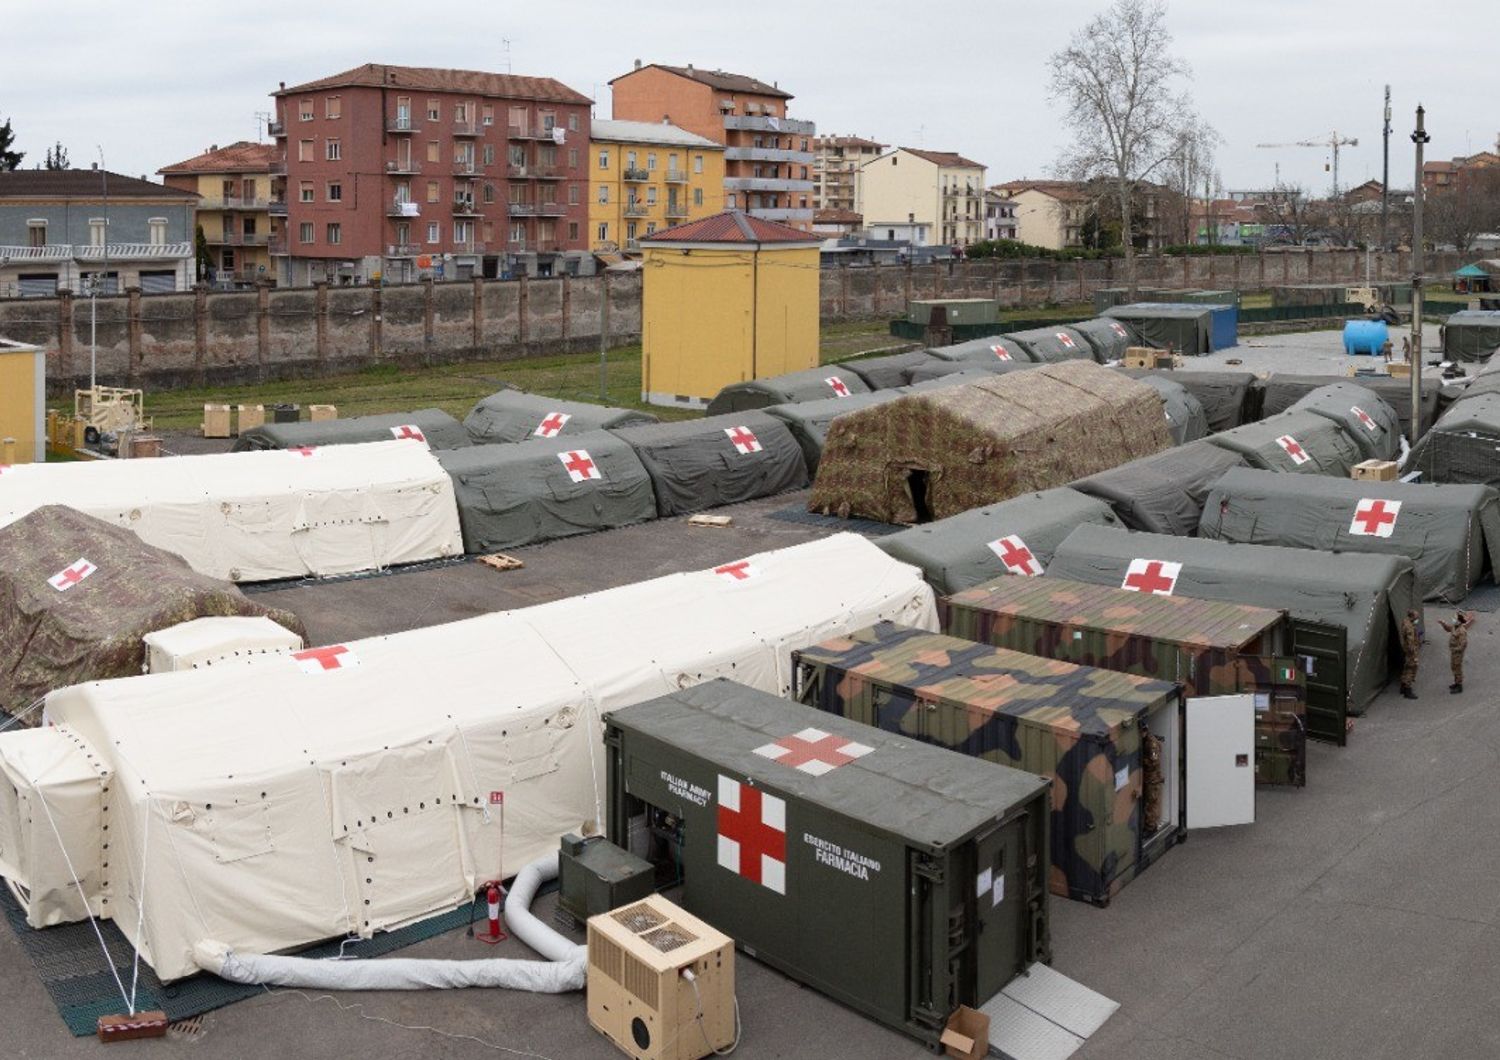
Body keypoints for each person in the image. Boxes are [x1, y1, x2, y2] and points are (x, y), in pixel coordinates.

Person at [1438, 611, 1474, 694]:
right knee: (1453, 667)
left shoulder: (1462, 631)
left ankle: (1459, 685)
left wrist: (1456, 649)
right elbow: (1448, 629)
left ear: (1459, 620)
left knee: (1457, 668)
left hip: (1457, 653)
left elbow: (1463, 644)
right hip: (1454, 652)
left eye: (1454, 618)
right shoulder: (1455, 626)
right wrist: (1443, 624)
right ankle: (1456, 682)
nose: (1453, 619)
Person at [1399, 609, 1421, 700]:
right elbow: (1410, 642)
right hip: (1411, 651)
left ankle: (1403, 686)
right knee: (1411, 669)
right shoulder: (1409, 628)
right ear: (1411, 617)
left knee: (1406, 667)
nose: (1417, 619)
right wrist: (1415, 655)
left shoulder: (1406, 622)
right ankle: (1407, 689)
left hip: (1407, 650)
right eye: (1416, 617)